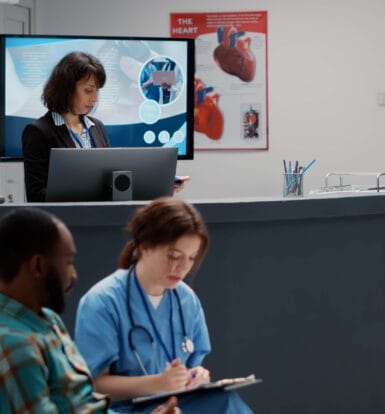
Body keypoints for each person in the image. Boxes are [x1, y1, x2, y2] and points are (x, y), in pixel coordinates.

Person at [75, 197, 254, 413]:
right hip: (126, 409)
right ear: (145, 246)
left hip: (178, 403)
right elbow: (92, 386)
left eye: (191, 258)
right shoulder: (103, 301)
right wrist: (158, 384)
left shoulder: (186, 300)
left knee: (226, 401)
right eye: (174, 256)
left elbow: (191, 365)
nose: (182, 267)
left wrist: (196, 376)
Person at [0, 207, 179, 414]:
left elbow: (85, 403)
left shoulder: (47, 319)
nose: (74, 275)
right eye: (68, 263)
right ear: (38, 266)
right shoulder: (16, 348)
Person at [22, 51, 110, 203]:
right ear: (66, 88)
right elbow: (36, 195)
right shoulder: (38, 131)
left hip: (102, 217)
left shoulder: (97, 127)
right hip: (64, 221)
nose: (95, 98)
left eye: (97, 91)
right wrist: (85, 194)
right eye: (88, 90)